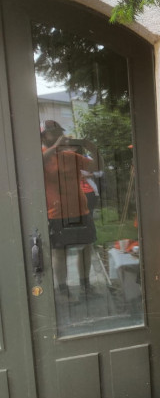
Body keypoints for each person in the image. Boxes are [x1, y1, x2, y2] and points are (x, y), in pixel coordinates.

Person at [41, 120, 99, 298]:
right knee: (59, 252)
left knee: (86, 248)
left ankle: (85, 285)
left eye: (60, 132)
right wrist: (57, 147)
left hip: (81, 211)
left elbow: (97, 167)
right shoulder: (42, 156)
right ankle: (63, 289)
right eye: (54, 133)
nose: (59, 135)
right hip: (56, 213)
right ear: (43, 136)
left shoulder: (71, 157)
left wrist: (93, 150)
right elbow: (36, 164)